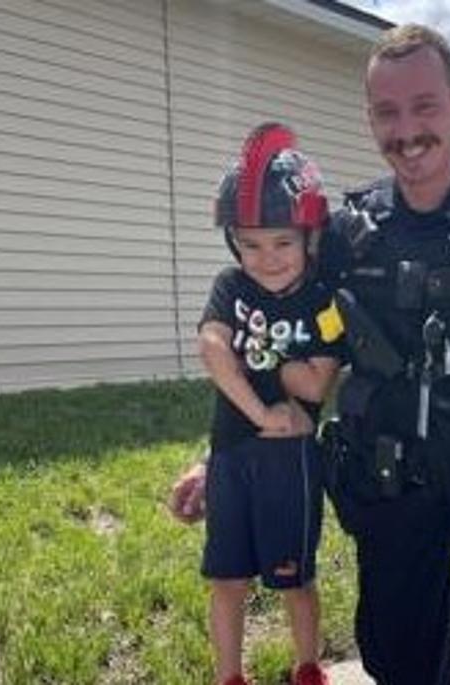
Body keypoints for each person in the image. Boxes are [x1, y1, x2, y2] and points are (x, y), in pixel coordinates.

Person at [173, 24, 450, 685]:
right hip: (388, 478)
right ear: (369, 119)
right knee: (403, 664)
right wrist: (225, 450)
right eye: (387, 111)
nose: (407, 130)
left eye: (424, 106)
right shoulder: (347, 232)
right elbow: (288, 356)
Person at [194, 122, 345, 685]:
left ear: (310, 237)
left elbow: (315, 385)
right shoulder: (230, 287)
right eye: (251, 244)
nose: (267, 258)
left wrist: (264, 361)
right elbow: (212, 348)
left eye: (283, 242)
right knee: (226, 578)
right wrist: (262, 411)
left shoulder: (323, 300)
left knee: (293, 577)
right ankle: (228, 676)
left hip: (292, 464)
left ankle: (308, 668)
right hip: (233, 453)